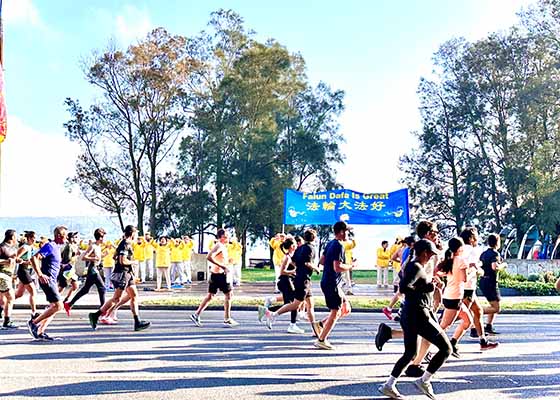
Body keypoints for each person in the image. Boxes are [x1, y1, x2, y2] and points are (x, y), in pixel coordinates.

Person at [378, 239, 452, 400]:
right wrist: (427, 287)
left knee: (410, 352)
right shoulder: (417, 267)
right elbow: (404, 287)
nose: (431, 257)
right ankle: (424, 381)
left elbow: (409, 284)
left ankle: (389, 385)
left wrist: (427, 286)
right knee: (446, 349)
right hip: (419, 313)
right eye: (431, 255)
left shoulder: (413, 266)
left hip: (411, 313)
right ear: (425, 253)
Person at [88, 225, 150, 332]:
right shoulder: (126, 243)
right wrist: (133, 262)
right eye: (136, 234)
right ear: (132, 234)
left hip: (127, 273)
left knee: (134, 295)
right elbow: (122, 260)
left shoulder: (124, 243)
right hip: (122, 274)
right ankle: (96, 315)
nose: (137, 236)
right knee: (116, 298)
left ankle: (137, 322)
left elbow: (114, 256)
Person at [263, 229, 319, 335]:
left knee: (310, 304)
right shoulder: (310, 248)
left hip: (304, 279)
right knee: (295, 305)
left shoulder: (300, 248)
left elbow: (294, 261)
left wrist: (298, 268)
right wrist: (316, 268)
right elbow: (307, 262)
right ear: (314, 238)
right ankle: (273, 314)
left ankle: (315, 330)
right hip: (302, 280)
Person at [314, 221, 354, 350]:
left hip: (329, 281)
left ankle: (321, 324)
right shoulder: (338, 246)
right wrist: (350, 266)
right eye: (347, 231)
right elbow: (337, 267)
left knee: (346, 308)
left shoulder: (330, 243)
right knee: (336, 312)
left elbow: (321, 261)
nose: (348, 233)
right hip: (332, 283)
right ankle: (321, 339)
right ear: (342, 232)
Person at [190, 229, 239, 327]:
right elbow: (209, 257)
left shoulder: (223, 247)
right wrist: (223, 266)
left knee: (210, 296)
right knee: (229, 295)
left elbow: (218, 258)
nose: (228, 238)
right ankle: (227, 318)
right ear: (221, 237)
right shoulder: (219, 246)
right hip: (219, 275)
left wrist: (227, 262)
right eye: (226, 236)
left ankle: (196, 314)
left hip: (216, 274)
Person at [27, 226, 68, 340]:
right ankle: (34, 323)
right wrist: (40, 274)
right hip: (48, 280)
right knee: (59, 306)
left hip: (53, 280)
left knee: (53, 307)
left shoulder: (56, 248)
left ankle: (40, 331)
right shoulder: (50, 246)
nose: (67, 238)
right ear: (59, 236)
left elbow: (53, 263)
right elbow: (34, 258)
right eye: (65, 235)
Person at [460, 227, 498, 349]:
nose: (478, 238)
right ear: (471, 238)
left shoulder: (460, 249)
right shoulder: (471, 250)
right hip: (467, 288)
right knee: (453, 317)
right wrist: (479, 269)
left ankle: (483, 341)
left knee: (478, 311)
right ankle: (446, 340)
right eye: (476, 236)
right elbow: (470, 267)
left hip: (465, 286)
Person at [258, 237, 305, 334]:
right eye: (295, 245)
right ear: (292, 246)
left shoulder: (292, 256)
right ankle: (292, 325)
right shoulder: (287, 257)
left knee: (289, 304)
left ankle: (267, 311)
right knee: (293, 304)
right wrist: (294, 271)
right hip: (285, 282)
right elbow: (282, 272)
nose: (296, 246)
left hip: (288, 281)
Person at [437, 237, 474, 358]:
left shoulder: (450, 260)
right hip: (454, 298)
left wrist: (437, 280)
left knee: (468, 321)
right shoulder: (461, 261)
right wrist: (473, 270)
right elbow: (464, 279)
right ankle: (425, 349)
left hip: (451, 296)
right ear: (459, 248)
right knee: (442, 327)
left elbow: (437, 272)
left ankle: (453, 343)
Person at [64, 228, 107, 315]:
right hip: (93, 270)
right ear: (100, 238)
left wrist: (103, 255)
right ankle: (103, 310)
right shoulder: (93, 246)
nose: (105, 239)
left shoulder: (98, 247)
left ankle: (69, 304)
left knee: (85, 290)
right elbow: (83, 257)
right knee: (102, 288)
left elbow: (97, 257)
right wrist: (94, 258)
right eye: (104, 237)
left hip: (95, 268)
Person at [479, 233, 507, 335]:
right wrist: (503, 265)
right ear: (497, 243)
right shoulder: (495, 254)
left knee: (494, 304)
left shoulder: (483, 254)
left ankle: (489, 326)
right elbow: (494, 267)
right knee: (496, 308)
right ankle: (476, 312)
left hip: (483, 281)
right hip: (490, 282)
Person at [14, 231, 39, 320]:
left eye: (35, 238)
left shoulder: (31, 248)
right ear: (28, 238)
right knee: (33, 292)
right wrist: (25, 262)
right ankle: (34, 313)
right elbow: (15, 257)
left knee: (19, 294)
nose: (35, 240)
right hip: (23, 270)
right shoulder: (25, 247)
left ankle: (2, 305)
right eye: (33, 238)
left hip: (27, 271)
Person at [0, 229, 19, 329]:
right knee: (11, 297)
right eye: (16, 237)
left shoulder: (13, 248)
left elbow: (13, 260)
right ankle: (7, 321)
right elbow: (6, 261)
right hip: (2, 275)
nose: (17, 239)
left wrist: (19, 261)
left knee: (2, 299)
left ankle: (4, 317)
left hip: (9, 275)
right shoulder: (2, 247)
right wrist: (7, 261)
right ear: (11, 237)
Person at [57, 232, 81, 305]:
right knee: (62, 286)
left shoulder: (73, 246)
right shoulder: (69, 247)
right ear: (71, 238)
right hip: (67, 268)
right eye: (75, 237)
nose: (77, 239)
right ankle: (54, 300)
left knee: (75, 286)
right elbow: (68, 259)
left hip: (70, 269)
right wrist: (76, 256)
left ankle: (66, 300)